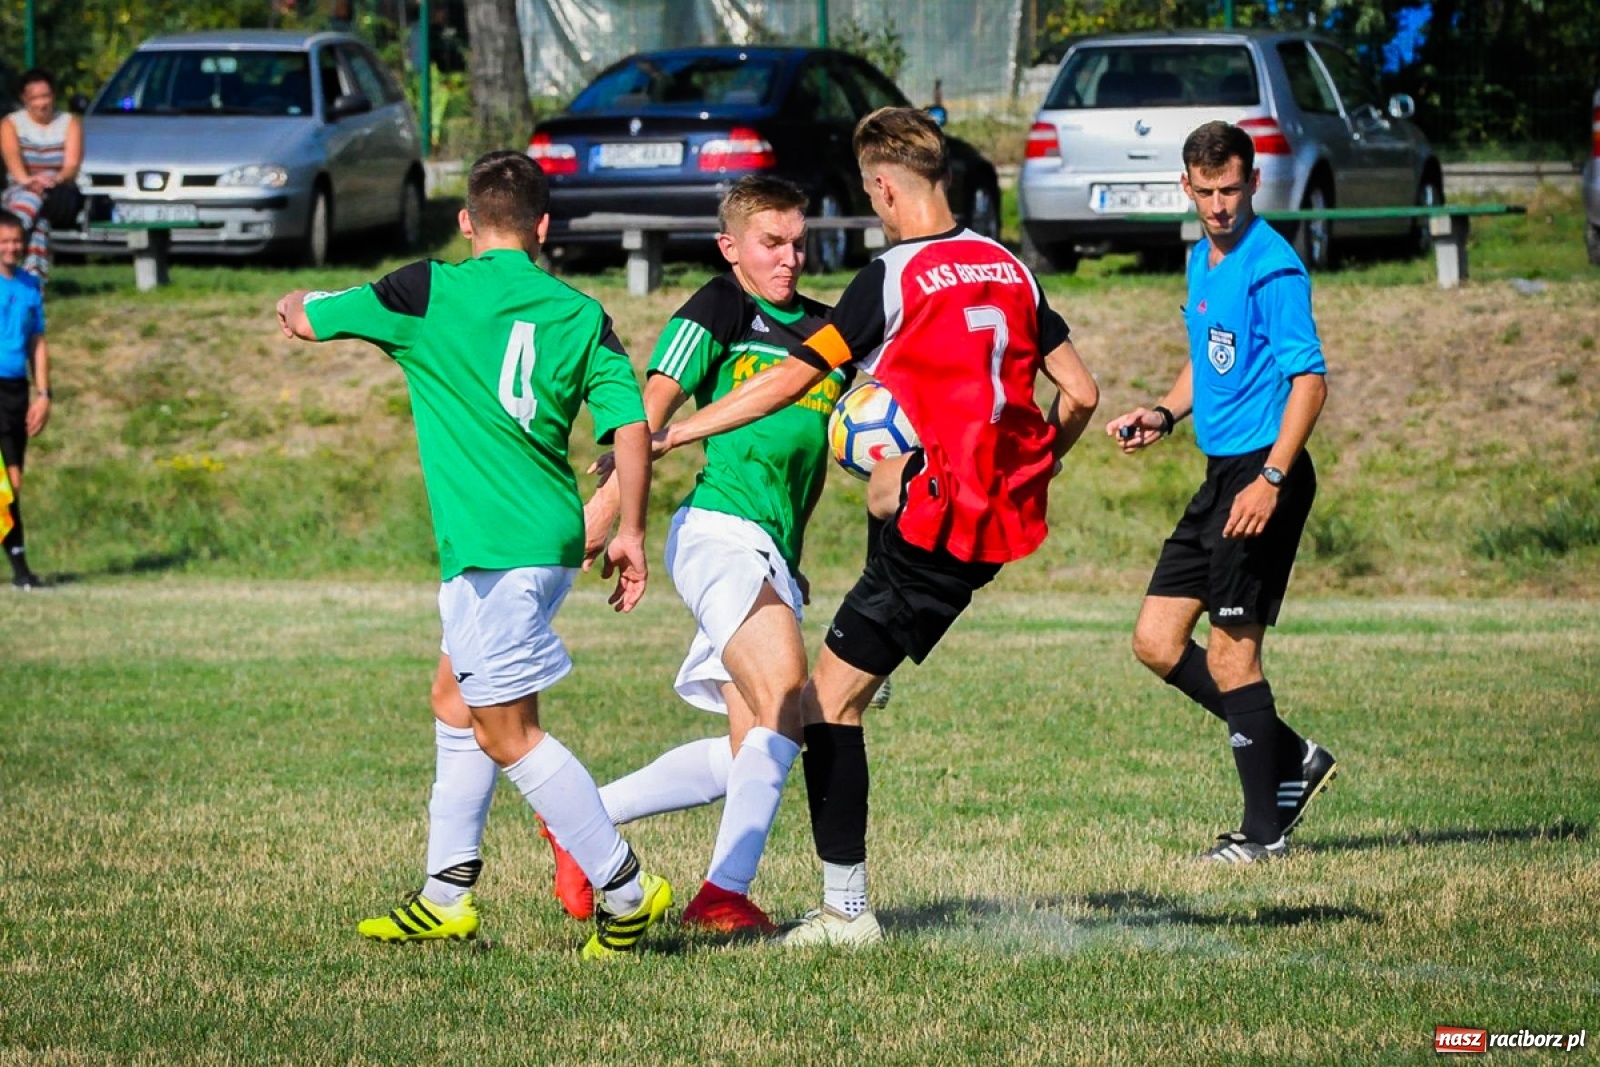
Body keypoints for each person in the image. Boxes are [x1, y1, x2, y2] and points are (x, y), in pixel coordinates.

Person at [653, 107, 1101, 946]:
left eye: (872, 195)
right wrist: (1039, 461)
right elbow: (1080, 393)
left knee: (824, 706)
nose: (876, 208)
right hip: (991, 521)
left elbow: (792, 377)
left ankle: (844, 913)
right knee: (838, 685)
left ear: (887, 187)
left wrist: (685, 428)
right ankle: (829, 888)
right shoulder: (1010, 266)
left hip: (933, 525)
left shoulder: (890, 278)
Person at [276, 150, 672, 959]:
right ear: (543, 228)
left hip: (496, 552)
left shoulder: (427, 290)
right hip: (548, 543)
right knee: (454, 697)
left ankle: (627, 889)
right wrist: (630, 529)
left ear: (465, 223)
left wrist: (297, 299)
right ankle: (446, 892)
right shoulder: (581, 312)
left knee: (507, 731)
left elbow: (310, 317)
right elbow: (629, 427)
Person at [556, 174, 846, 934]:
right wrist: (611, 519)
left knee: (752, 747)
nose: (789, 258)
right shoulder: (721, 305)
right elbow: (647, 420)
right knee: (789, 695)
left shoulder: (830, 334)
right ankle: (723, 895)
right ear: (731, 248)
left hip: (770, 549)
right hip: (718, 531)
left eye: (797, 242)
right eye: (770, 243)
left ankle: (581, 822)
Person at [1104, 120, 1337, 864]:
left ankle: (1262, 833)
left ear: (1252, 183)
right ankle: (1292, 753)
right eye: (1204, 192)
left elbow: (1310, 381)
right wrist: (1166, 412)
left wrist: (1271, 478)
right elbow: (1207, 362)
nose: (1218, 205)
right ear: (1187, 187)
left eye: (1230, 189)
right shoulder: (1203, 259)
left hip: (1262, 474)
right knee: (1156, 640)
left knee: (1236, 655)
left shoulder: (1273, 268)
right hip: (1218, 476)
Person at [0, 210, 51, 589]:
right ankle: (21, 571)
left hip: (16, 390)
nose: (11, 247)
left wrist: (44, 393)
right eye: (4, 241)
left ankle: (19, 571)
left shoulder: (29, 285)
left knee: (12, 484)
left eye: (16, 240)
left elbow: (37, 341)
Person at [1, 70, 83, 283]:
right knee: (39, 224)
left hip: (59, 194)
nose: (41, 103)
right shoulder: (11, 124)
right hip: (21, 191)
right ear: (24, 99)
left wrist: (53, 180)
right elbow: (14, 165)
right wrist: (30, 181)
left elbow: (71, 166)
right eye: (35, 98)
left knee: (38, 198)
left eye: (45, 96)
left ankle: (9, 236)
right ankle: (33, 284)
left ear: (53, 95)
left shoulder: (69, 123)